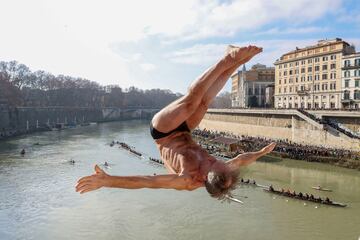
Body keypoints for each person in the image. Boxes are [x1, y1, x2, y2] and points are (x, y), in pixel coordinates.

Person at [76, 45, 276, 199]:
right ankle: (232, 62)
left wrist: (108, 181)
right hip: (186, 130)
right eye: (216, 160)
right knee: (205, 102)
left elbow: (147, 181)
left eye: (212, 162)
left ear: (205, 177)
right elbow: (241, 159)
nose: (212, 159)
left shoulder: (185, 180)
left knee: (191, 103)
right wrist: (262, 152)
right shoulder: (221, 169)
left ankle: (227, 59)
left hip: (163, 133)